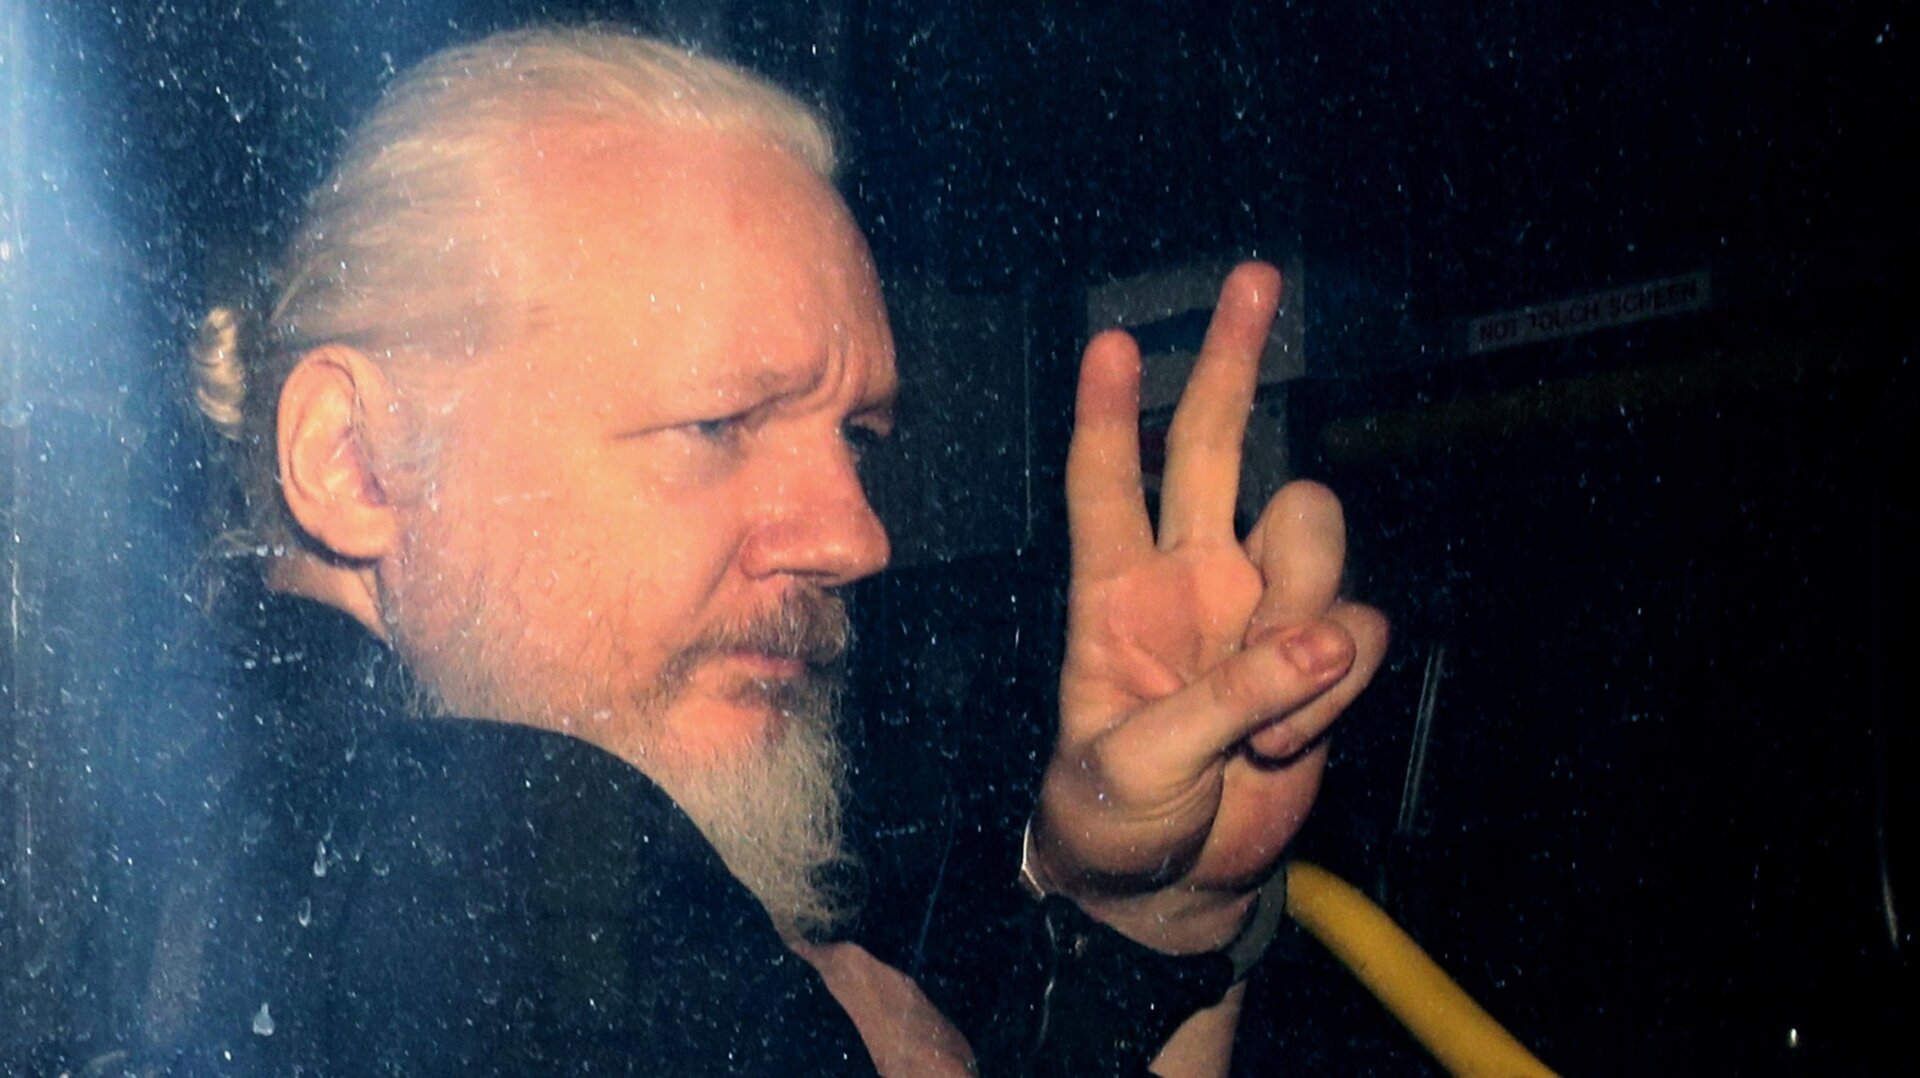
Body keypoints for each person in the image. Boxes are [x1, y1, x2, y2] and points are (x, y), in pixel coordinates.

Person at [104, 24, 1386, 1077]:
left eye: (859, 439)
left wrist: (1152, 921)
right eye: (718, 422)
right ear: (354, 460)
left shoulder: (185, 875)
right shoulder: (518, 868)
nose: (856, 537)